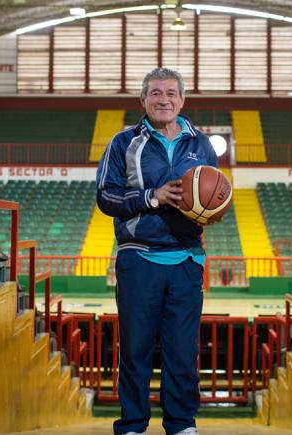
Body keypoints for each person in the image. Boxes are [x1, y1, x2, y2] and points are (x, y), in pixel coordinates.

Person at [95, 67, 218, 435]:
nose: (163, 99)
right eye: (155, 93)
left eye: (170, 93)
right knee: (135, 350)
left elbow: (215, 192)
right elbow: (105, 196)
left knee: (183, 352)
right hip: (138, 256)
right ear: (143, 100)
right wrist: (152, 197)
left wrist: (210, 210)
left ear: (182, 99)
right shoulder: (122, 143)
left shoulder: (202, 144)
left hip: (186, 258)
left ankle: (181, 425)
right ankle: (133, 425)